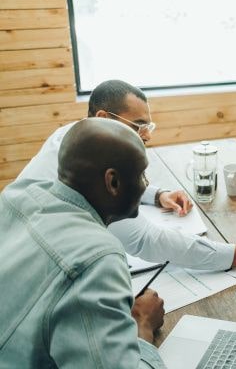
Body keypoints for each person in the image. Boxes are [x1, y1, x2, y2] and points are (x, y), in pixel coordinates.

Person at [17, 80, 236, 273]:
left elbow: (115, 184)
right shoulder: (91, 170)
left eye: (148, 125)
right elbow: (147, 240)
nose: (147, 135)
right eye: (138, 125)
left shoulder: (71, 137)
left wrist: (157, 194)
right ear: (103, 116)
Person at [0, 118, 166, 367]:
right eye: (142, 174)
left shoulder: (18, 194)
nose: (146, 184)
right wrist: (142, 325)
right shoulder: (98, 260)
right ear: (113, 183)